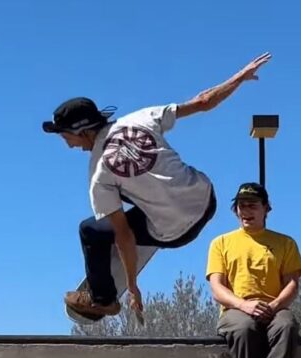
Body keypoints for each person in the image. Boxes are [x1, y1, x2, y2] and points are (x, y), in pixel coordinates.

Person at [42, 53, 272, 321]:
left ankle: (101, 300)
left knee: (92, 229)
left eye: (66, 137)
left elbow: (124, 237)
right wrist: (239, 77)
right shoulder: (142, 117)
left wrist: (131, 286)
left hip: (175, 234)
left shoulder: (99, 176)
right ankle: (153, 208)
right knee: (136, 189)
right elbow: (203, 102)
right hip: (207, 200)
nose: (68, 145)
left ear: (82, 131)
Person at [205, 182, 301, 358]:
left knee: (287, 325)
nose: (245, 210)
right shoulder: (221, 243)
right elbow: (217, 288)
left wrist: (273, 306)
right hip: (236, 309)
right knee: (244, 328)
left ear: (266, 208)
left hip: (273, 307)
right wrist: (243, 304)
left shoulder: (284, 243)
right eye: (241, 205)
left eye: (252, 205)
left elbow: (292, 284)